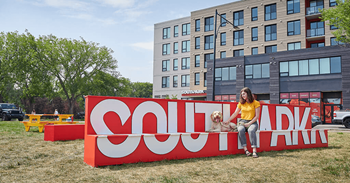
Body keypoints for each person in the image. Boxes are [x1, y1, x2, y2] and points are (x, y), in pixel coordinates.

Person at [223, 87, 261, 158]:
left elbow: (257, 116)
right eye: (241, 94)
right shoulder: (241, 103)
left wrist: (249, 123)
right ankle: (246, 150)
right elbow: (235, 113)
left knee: (251, 130)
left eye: (244, 94)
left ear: (248, 94)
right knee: (240, 129)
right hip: (242, 121)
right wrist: (227, 121)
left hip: (252, 122)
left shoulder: (256, 103)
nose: (242, 95)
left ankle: (254, 151)